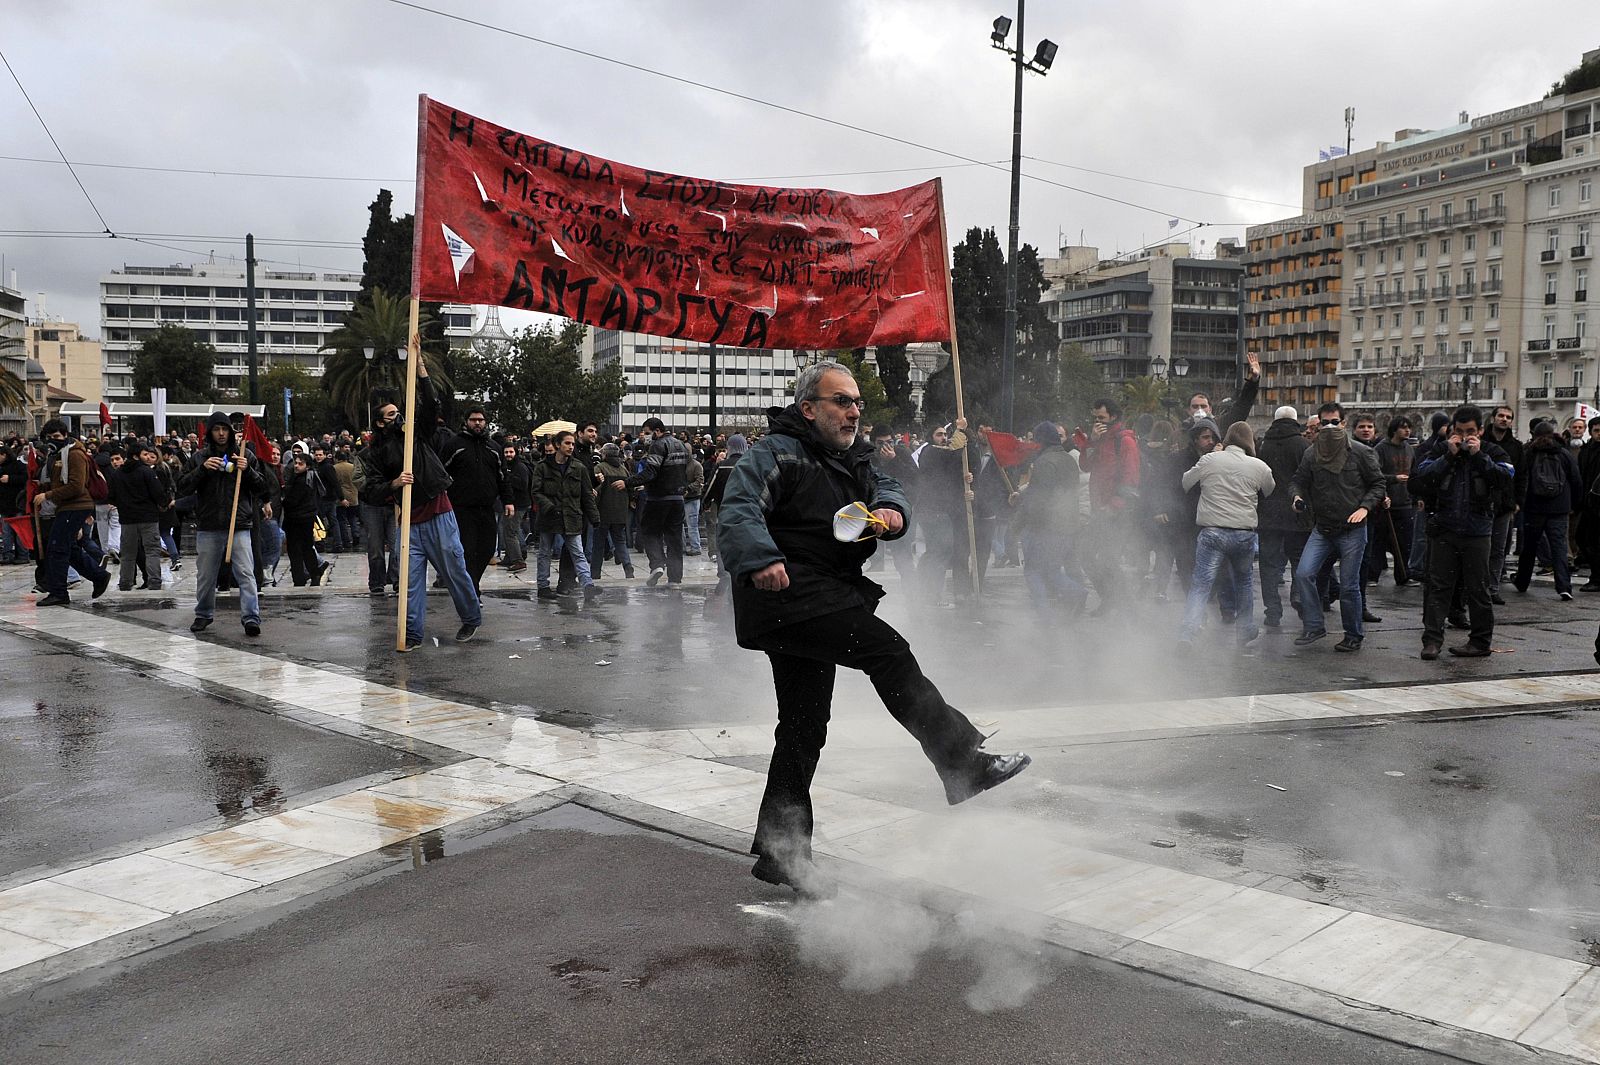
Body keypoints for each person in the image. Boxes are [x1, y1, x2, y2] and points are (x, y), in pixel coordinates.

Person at [718, 360, 1030, 899]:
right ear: (808, 408)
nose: (853, 411)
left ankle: (782, 853)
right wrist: (761, 558)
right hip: (786, 594)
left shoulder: (856, 459)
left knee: (802, 725)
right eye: (841, 401)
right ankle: (961, 763)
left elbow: (890, 489)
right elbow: (739, 508)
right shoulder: (773, 453)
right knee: (887, 651)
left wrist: (893, 512)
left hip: (819, 596)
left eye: (857, 402)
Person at [367, 364, 483, 650]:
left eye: (399, 412)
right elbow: (370, 488)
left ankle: (471, 617)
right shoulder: (376, 452)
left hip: (438, 512)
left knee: (455, 570)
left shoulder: (416, 435)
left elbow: (431, 406)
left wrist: (421, 373)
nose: (398, 417)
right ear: (380, 423)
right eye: (391, 414)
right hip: (409, 523)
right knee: (410, 582)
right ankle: (413, 635)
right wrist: (394, 484)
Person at [1412, 406, 1514, 659]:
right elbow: (1421, 476)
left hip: (1477, 531)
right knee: (1438, 587)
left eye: (1470, 432)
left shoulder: (1492, 451)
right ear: (1451, 430)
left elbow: (1505, 477)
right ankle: (1432, 641)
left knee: (1478, 589)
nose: (1464, 436)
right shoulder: (1441, 450)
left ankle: (1480, 642)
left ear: (1480, 431)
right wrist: (1448, 456)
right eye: (1459, 431)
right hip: (1445, 529)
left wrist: (1480, 456)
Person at [1290, 403, 1385, 652]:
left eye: (1335, 422)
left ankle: (1353, 634)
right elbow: (1298, 482)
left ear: (1344, 424)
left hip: (1353, 529)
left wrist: (1365, 507)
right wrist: (1297, 498)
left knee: (1349, 585)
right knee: (1303, 574)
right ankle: (1313, 626)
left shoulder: (1361, 453)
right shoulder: (1311, 454)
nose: (1330, 427)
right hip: (1323, 527)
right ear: (1318, 425)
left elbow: (1377, 484)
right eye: (1325, 423)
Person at [1178, 421, 1275, 652]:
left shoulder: (1210, 459)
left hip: (1212, 532)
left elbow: (1185, 482)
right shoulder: (1259, 465)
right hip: (1243, 534)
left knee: (1200, 585)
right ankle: (1245, 629)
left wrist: (1213, 458)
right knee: (1243, 583)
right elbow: (1269, 489)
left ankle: (1187, 633)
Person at [178, 413, 265, 636]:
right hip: (209, 524)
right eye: (216, 430)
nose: (221, 434)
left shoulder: (244, 456)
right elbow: (182, 486)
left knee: (246, 573)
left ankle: (251, 617)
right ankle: (203, 614)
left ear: (230, 432)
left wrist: (248, 471)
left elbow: (261, 488)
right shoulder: (199, 458)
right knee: (206, 575)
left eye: (224, 429)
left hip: (239, 524)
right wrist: (202, 469)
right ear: (210, 433)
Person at [34, 420, 112, 607]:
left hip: (76, 505)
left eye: (57, 437)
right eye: (50, 438)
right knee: (68, 548)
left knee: (57, 548)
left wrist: (48, 495)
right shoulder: (55, 455)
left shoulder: (75, 454)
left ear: (65, 435)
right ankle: (99, 575)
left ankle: (59, 592)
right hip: (66, 506)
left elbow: (76, 486)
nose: (53, 440)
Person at [1013, 420, 1084, 614]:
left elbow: (1039, 499)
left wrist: (1019, 525)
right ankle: (1076, 591)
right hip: (1068, 524)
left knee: (1033, 571)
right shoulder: (1068, 459)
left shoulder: (1044, 462)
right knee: (1051, 570)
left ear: (1041, 441)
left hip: (1047, 527)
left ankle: (1044, 614)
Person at [1083, 397, 1140, 615]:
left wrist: (1115, 505)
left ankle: (1125, 606)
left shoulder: (1124, 441)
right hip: (1099, 509)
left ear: (1113, 417)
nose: (1097, 421)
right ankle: (1112, 599)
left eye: (1101, 418)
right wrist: (1091, 441)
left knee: (1108, 558)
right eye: (1095, 417)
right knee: (1087, 553)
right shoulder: (1100, 440)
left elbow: (1131, 478)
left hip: (1117, 511)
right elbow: (1086, 464)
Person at [442, 408, 510, 594]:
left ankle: (472, 583)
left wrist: (508, 501)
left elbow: (502, 477)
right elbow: (441, 473)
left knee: (488, 549)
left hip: (487, 507)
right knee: (467, 550)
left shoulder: (494, 448)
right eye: (473, 420)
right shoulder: (454, 445)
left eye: (481, 420)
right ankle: (472, 590)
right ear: (466, 421)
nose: (477, 423)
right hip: (461, 508)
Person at [1513, 420, 1582, 601]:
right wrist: (1573, 504)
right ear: (1554, 434)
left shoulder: (1529, 453)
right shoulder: (1563, 454)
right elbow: (1576, 480)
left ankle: (1522, 581)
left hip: (1534, 507)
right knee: (1559, 548)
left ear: (1534, 434)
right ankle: (1564, 587)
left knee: (1529, 547)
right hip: (1559, 508)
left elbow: (1521, 479)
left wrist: (1521, 501)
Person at [1257, 405, 1311, 629]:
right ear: (1296, 420)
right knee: (1299, 559)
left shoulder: (1263, 445)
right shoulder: (1303, 446)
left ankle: (1272, 611)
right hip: (1296, 511)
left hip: (1268, 514)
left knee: (1268, 564)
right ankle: (1298, 595)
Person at [533, 430, 601, 600]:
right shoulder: (542, 467)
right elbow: (536, 492)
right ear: (557, 445)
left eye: (572, 443)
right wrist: (549, 506)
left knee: (578, 552)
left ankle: (588, 585)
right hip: (549, 516)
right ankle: (543, 586)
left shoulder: (578, 467)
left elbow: (587, 494)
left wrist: (594, 517)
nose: (571, 447)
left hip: (571, 516)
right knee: (544, 552)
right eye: (567, 443)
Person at [624, 416, 690, 586]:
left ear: (657, 431)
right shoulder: (681, 444)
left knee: (649, 530)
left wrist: (628, 482)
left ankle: (657, 565)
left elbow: (651, 472)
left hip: (658, 497)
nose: (645, 436)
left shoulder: (658, 445)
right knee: (674, 538)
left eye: (647, 433)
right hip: (678, 498)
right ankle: (675, 579)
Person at [110, 442, 171, 591]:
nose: (148, 457)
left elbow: (111, 495)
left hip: (127, 518)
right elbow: (158, 493)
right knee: (151, 550)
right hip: (148, 517)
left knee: (128, 553)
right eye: (144, 454)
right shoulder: (147, 472)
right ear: (136, 456)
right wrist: (164, 503)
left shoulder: (118, 473)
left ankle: (125, 582)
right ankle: (154, 581)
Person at [1372, 416, 1416, 587]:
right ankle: (1372, 576)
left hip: (1405, 502)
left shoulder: (1410, 449)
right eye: (1403, 428)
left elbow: (1415, 472)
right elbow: (1375, 474)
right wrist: (1394, 479)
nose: (1407, 431)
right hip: (1386, 503)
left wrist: (1416, 497)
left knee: (1405, 543)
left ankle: (1403, 575)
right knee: (1380, 541)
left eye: (1409, 428)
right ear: (1394, 430)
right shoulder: (1381, 449)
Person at [280, 451, 330, 586]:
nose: (296, 466)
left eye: (300, 464)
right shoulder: (304, 477)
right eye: (295, 463)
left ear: (307, 466)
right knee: (304, 548)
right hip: (302, 518)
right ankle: (307, 574)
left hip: (299, 519)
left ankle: (305, 575)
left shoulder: (303, 480)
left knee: (299, 549)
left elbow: (293, 500)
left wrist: (283, 500)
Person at [591, 442, 636, 580]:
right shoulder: (623, 469)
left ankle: (595, 572)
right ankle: (628, 568)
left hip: (603, 512)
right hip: (620, 512)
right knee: (620, 541)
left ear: (604, 454)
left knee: (598, 544)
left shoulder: (600, 468)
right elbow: (630, 489)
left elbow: (596, 490)